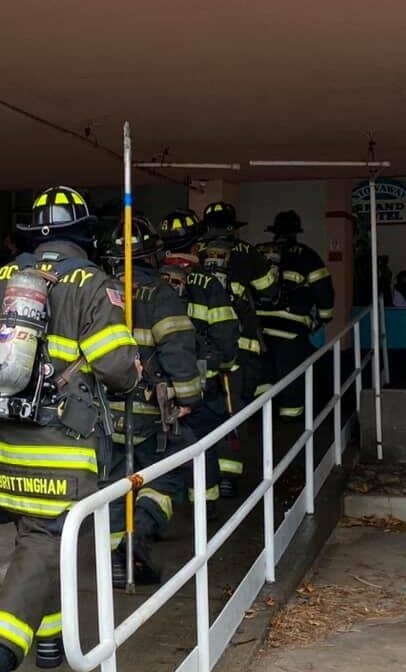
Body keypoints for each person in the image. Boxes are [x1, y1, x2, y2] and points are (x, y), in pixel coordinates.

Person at [0, 186, 139, 672]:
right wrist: (138, 370)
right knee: (46, 541)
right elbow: (116, 367)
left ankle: (52, 643)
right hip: (61, 453)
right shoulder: (93, 284)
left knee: (37, 535)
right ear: (83, 234)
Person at [101, 216, 202, 588]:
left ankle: (114, 557)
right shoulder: (162, 295)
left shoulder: (101, 295)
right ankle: (135, 542)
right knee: (169, 475)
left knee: (112, 484)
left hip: (104, 413)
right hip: (149, 413)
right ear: (153, 255)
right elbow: (178, 350)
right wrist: (188, 397)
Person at [158, 210, 241, 502]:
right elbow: (227, 338)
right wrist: (224, 366)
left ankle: (164, 504)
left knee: (162, 447)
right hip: (202, 384)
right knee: (204, 446)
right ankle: (204, 510)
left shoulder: (148, 282)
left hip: (158, 386)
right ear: (196, 247)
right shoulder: (209, 284)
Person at [198, 201, 278, 495]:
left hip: (198, 349)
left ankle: (199, 475)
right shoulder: (248, 253)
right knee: (234, 408)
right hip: (240, 349)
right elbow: (270, 290)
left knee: (201, 407)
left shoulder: (194, 253)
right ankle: (228, 476)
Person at [254, 211, 335, 419]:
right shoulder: (307, 255)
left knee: (263, 374)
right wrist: (325, 317)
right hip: (290, 329)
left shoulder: (257, 252)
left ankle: (261, 419)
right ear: (296, 233)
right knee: (291, 375)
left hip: (256, 327)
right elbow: (323, 289)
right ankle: (291, 424)